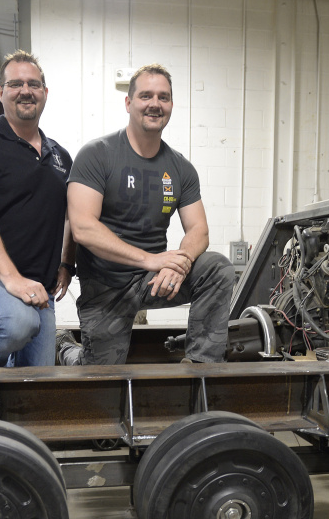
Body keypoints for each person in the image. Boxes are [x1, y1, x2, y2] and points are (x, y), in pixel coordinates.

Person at [64, 63, 235, 365]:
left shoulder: (181, 168)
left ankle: (200, 370)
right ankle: (64, 348)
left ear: (171, 105)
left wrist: (179, 264)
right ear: (128, 103)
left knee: (217, 268)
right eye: (146, 96)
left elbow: (199, 231)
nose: (155, 104)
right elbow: (83, 228)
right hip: (105, 284)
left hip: (153, 279)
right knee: (98, 377)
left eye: (163, 97)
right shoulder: (97, 154)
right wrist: (151, 259)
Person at [0, 50, 75, 367]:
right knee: (16, 323)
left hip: (41, 291)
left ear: (45, 93)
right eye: (16, 83)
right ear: (1, 92)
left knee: (37, 390)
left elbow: (69, 217)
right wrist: (11, 279)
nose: (26, 91)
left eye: (34, 84)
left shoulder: (60, 156)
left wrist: (66, 262)